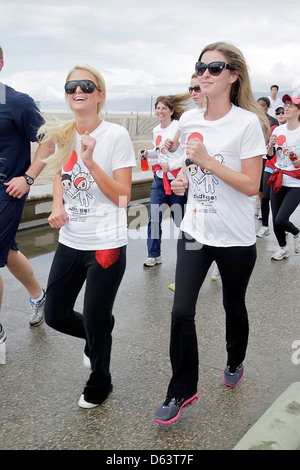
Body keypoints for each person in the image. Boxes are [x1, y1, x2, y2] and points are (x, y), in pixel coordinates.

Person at [154, 41, 269, 425]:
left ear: (234, 76)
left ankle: (235, 357)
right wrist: (185, 171)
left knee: (232, 307)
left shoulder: (247, 123)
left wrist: (206, 162)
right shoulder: (189, 121)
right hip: (195, 229)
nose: (205, 73)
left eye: (214, 67)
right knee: (180, 310)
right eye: (201, 66)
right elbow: (183, 162)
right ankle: (181, 389)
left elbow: (252, 185)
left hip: (235, 236)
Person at [40, 64, 136, 408]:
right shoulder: (64, 133)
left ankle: (101, 382)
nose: (77, 91)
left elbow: (124, 197)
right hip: (70, 241)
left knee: (95, 318)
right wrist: (56, 204)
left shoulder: (116, 136)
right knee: (55, 315)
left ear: (100, 95)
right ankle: (98, 333)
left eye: (86, 85)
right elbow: (58, 174)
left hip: (105, 245)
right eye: (70, 87)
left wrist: (92, 162)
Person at [0, 46, 54, 341]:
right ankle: (37, 295)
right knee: (7, 252)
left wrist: (28, 178)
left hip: (7, 190)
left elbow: (49, 143)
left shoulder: (18, 102)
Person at [139, 94, 191, 267]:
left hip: (177, 180)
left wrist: (173, 165)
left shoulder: (179, 127)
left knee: (180, 219)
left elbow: (186, 153)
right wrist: (147, 153)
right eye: (157, 108)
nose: (160, 111)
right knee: (154, 217)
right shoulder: (156, 130)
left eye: (163, 108)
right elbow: (160, 151)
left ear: (171, 111)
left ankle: (192, 254)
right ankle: (154, 254)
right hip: (160, 180)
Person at [267, 94, 300, 260]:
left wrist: (293, 156)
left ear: (298, 111)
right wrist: (271, 145)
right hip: (278, 178)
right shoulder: (278, 130)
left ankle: (296, 232)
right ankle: (283, 248)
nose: (286, 108)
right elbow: (270, 156)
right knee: (275, 220)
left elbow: (297, 164)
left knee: (281, 219)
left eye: (291, 106)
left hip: (295, 182)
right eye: (285, 105)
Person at [257, 106, 287, 238]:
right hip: (270, 165)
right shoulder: (274, 129)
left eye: (283, 112)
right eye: (278, 113)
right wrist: (270, 145)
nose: (281, 114)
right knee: (265, 197)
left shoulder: (293, 131)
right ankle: (265, 226)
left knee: (279, 202)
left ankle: (282, 224)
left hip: (284, 170)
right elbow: (269, 152)